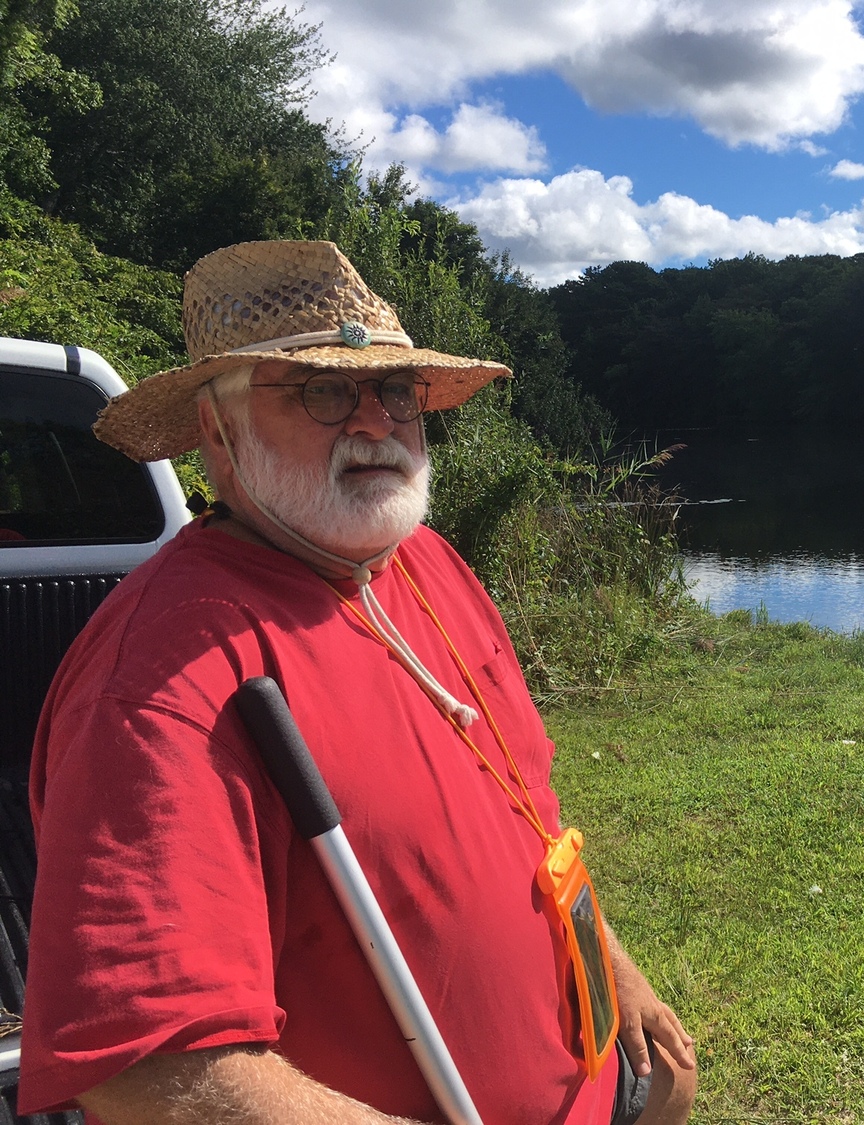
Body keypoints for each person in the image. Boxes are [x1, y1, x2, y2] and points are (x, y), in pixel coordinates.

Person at [18, 241, 697, 1125]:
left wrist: (612, 964)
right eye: (325, 391)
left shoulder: (425, 561)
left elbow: (527, 805)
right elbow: (148, 1065)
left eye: (397, 390)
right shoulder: (165, 675)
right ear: (217, 432)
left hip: (594, 1083)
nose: (376, 420)